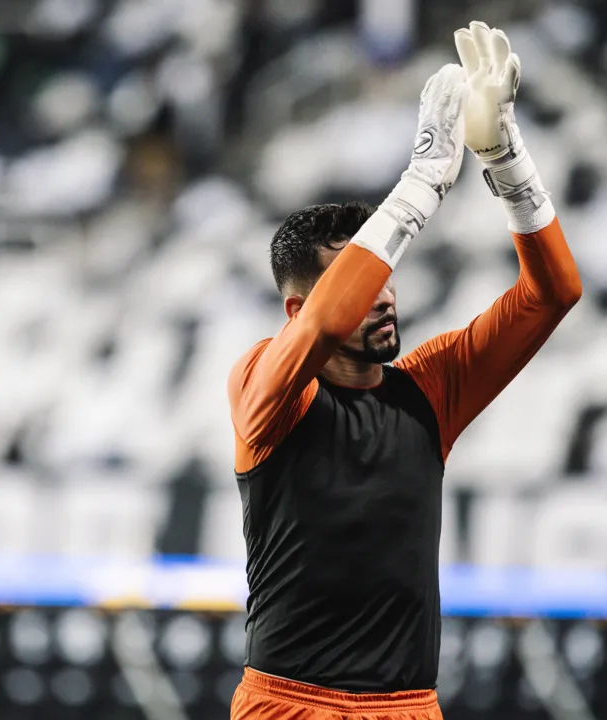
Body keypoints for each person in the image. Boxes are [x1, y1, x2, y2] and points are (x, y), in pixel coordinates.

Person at [227, 22, 582, 720]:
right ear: (296, 305)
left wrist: (504, 157)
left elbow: (554, 293)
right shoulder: (262, 384)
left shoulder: (428, 389)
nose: (384, 297)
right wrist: (422, 178)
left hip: (410, 707)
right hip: (288, 705)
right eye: (365, 285)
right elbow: (326, 323)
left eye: (386, 281)